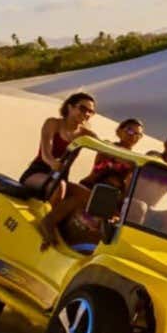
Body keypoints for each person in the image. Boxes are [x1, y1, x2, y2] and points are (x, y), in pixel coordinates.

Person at [40, 117, 142, 250]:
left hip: (112, 197)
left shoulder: (137, 161)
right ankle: (48, 222)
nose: (133, 136)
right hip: (92, 187)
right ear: (119, 131)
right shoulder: (107, 146)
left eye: (137, 134)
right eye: (130, 131)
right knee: (82, 197)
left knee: (135, 209)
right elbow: (104, 161)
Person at [19, 92, 97, 202]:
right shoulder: (53, 123)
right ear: (70, 107)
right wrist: (53, 162)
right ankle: (46, 219)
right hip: (39, 171)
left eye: (91, 111)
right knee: (59, 187)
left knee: (91, 197)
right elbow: (46, 153)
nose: (87, 114)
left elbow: (104, 148)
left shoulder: (87, 134)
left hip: (61, 177)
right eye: (83, 109)